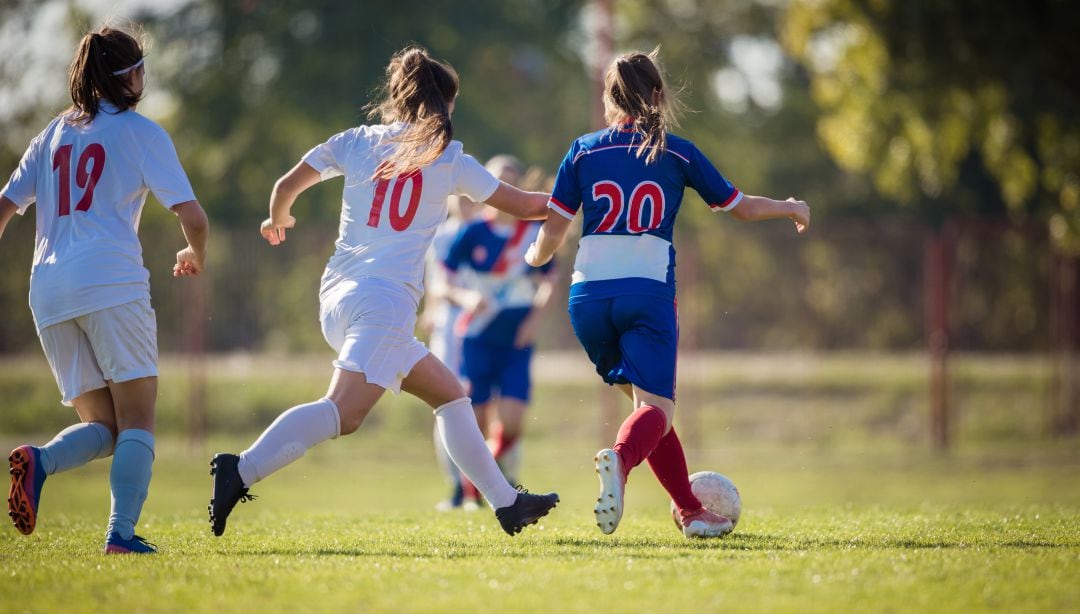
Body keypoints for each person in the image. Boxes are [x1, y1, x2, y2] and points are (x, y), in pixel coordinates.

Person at [207, 46, 559, 537]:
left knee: (451, 397)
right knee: (343, 413)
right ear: (443, 104)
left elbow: (287, 184)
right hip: (383, 302)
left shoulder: (356, 140)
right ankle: (238, 469)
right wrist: (580, 195)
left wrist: (278, 216)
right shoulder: (449, 157)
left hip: (338, 296)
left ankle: (506, 503)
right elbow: (524, 205)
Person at [524, 49, 809, 538]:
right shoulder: (676, 152)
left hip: (588, 298)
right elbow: (738, 207)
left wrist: (535, 257)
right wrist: (790, 207)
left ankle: (690, 509)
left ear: (609, 98)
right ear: (658, 95)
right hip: (647, 293)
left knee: (649, 410)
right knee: (656, 410)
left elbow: (552, 232)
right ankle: (620, 458)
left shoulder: (583, 149)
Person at [1, 25, 210, 554]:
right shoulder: (141, 133)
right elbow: (195, 218)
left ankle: (40, 461)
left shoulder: (50, 135)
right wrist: (194, 253)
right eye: (142, 67)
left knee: (107, 426)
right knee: (138, 421)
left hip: (47, 291)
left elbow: (3, 209)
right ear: (130, 76)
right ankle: (120, 534)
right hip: (110, 284)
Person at [438, 155, 560, 509]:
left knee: (512, 424)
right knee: (475, 420)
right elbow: (443, 285)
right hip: (476, 337)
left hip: (516, 340)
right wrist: (464, 296)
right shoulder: (470, 232)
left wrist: (534, 320)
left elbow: (549, 281)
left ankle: (480, 484)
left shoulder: (532, 234)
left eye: (508, 181)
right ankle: (479, 489)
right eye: (495, 181)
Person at [421, 192, 481, 511]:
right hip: (450, 329)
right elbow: (436, 282)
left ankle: (492, 484)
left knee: (485, 405)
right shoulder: (442, 235)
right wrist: (431, 309)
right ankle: (458, 486)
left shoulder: (490, 232)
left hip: (484, 326)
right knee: (449, 404)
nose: (466, 200)